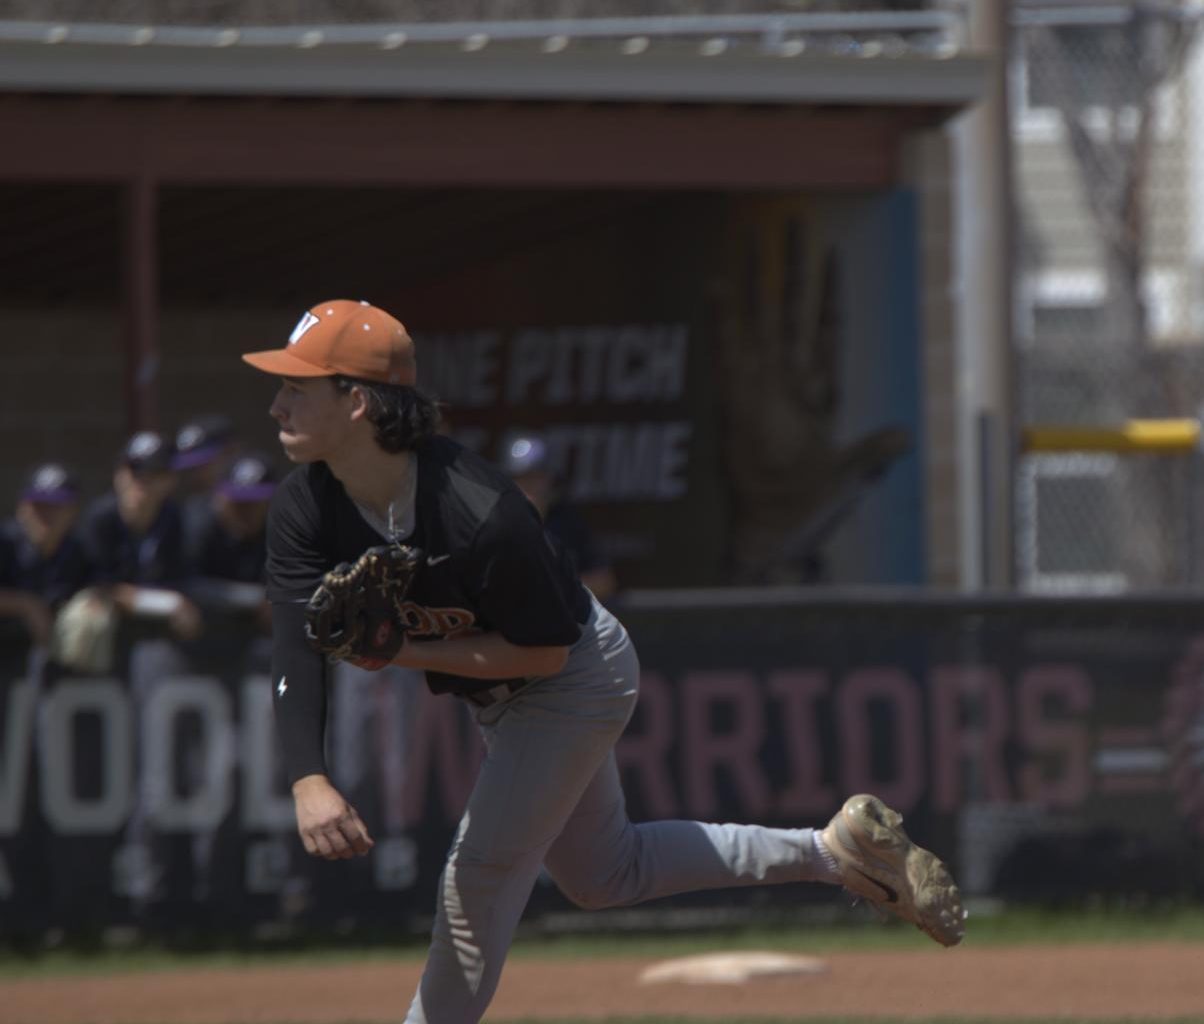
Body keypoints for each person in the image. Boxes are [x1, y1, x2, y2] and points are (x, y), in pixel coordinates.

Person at [241, 299, 965, 1024]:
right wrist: (310, 776)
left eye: (297, 387)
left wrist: (400, 650)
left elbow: (545, 653)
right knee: (605, 873)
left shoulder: (479, 511)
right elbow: (295, 641)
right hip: (505, 692)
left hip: (575, 676)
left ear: (357, 401)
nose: (277, 403)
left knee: (478, 879)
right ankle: (833, 853)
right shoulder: (306, 503)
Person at [77, 430, 202, 645]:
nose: (141, 482)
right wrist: (167, 603)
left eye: (154, 473)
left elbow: (182, 580)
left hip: (155, 630)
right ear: (118, 475)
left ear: (171, 480)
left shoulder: (175, 518)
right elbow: (97, 588)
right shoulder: (101, 518)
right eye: (134, 471)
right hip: (104, 632)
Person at [499, 432, 619, 603]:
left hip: (564, 620)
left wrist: (556, 588)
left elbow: (604, 582)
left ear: (549, 478)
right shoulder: (493, 522)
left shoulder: (568, 522)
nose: (529, 486)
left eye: (535, 477)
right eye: (520, 478)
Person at [0, 462, 91, 648]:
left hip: (56, 651)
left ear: (73, 511)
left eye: (56, 506)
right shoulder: (5, 542)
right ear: (22, 509)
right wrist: (25, 605)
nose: (45, 515)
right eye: (38, 506)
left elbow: (101, 587)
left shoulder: (80, 549)